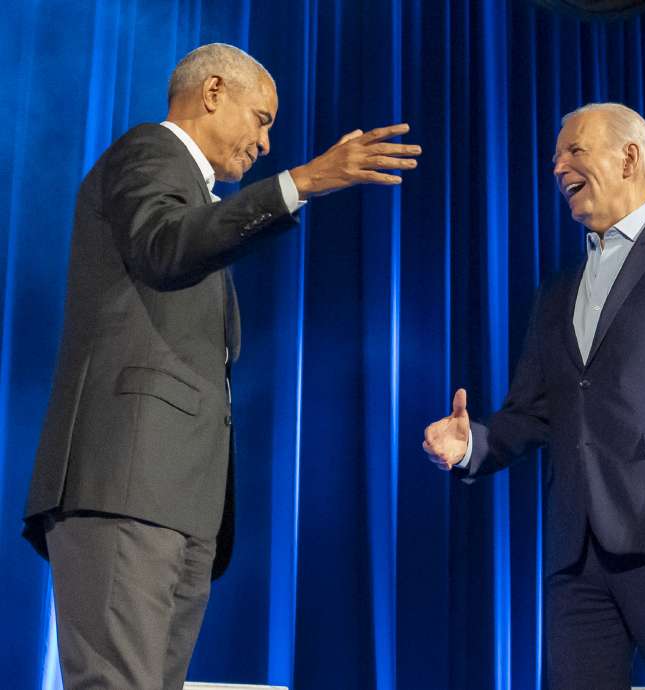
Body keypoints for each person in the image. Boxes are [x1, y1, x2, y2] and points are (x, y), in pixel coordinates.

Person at [22, 43, 420, 689]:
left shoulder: (195, 197)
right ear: (212, 93)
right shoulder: (149, 150)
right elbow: (167, 248)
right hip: (127, 483)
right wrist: (303, 182)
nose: (266, 141)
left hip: (179, 499)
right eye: (261, 118)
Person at [422, 102, 645, 689]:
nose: (558, 166)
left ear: (629, 156)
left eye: (574, 150)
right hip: (576, 554)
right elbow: (532, 413)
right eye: (557, 156)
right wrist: (470, 445)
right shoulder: (558, 290)